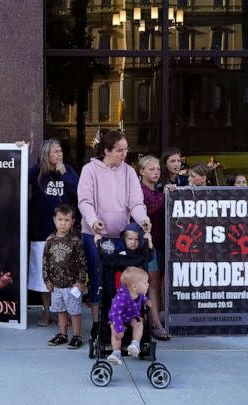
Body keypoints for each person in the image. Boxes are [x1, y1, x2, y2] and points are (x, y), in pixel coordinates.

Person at [77, 130, 150, 340]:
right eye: (120, 150)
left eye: (126, 149)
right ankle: (98, 324)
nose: (124, 153)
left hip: (121, 236)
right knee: (99, 279)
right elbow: (85, 201)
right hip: (95, 235)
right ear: (107, 151)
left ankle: (120, 321)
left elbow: (135, 202)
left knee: (121, 280)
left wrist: (142, 219)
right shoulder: (90, 170)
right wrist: (93, 221)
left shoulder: (128, 172)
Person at [28, 139, 79, 326]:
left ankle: (63, 312)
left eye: (60, 151)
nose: (59, 154)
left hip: (65, 234)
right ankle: (46, 311)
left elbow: (78, 192)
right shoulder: (38, 172)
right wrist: (19, 149)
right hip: (41, 232)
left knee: (64, 273)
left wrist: (65, 174)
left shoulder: (68, 171)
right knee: (43, 275)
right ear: (46, 154)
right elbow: (18, 177)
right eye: (55, 151)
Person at [42, 204, 87, 349]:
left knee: (74, 311)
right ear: (54, 220)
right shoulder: (50, 240)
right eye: (60, 219)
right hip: (56, 285)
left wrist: (80, 282)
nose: (63, 223)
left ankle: (77, 336)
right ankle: (62, 334)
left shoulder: (75, 241)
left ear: (73, 221)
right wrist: (47, 279)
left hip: (71, 284)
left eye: (66, 220)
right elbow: (45, 261)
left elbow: (82, 263)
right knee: (60, 310)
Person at [137, 156, 170, 341]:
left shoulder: (156, 190)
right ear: (141, 171)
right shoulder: (141, 191)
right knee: (153, 284)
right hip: (147, 246)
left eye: (158, 169)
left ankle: (157, 318)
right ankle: (155, 323)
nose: (156, 172)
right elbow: (149, 209)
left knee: (157, 284)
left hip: (160, 242)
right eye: (151, 169)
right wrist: (166, 195)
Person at [106, 267, 150, 365]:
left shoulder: (139, 294)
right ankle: (116, 352)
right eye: (145, 283)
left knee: (139, 322)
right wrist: (119, 328)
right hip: (117, 319)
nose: (148, 285)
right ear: (134, 286)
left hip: (131, 317)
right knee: (115, 330)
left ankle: (135, 344)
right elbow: (115, 314)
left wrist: (146, 301)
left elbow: (143, 298)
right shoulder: (121, 298)